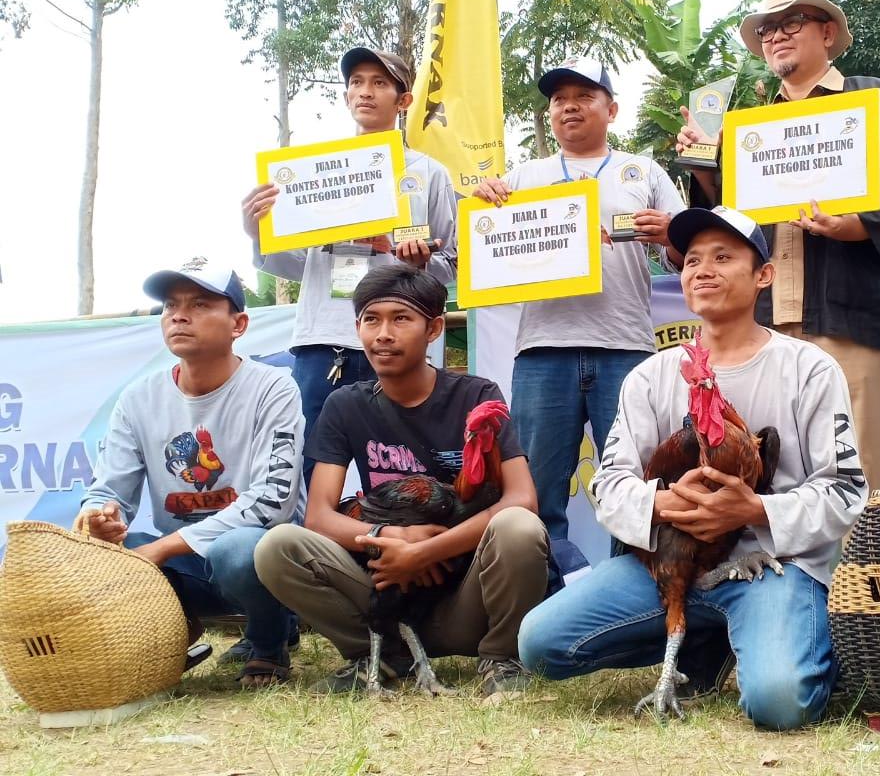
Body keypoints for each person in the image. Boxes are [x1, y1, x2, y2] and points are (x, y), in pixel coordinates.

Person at [518, 206, 865, 730]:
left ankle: (791, 638)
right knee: (540, 645)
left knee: (780, 703)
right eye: (692, 260)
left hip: (770, 565)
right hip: (671, 565)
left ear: (762, 276)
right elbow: (610, 482)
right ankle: (707, 639)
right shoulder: (650, 376)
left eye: (724, 258)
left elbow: (844, 490)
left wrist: (754, 509)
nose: (702, 269)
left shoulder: (809, 368)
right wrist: (658, 501)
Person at [677, 0, 880, 491]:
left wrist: (852, 226)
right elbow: (728, 226)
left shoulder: (873, 99)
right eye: (768, 28)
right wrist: (705, 164)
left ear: (828, 32)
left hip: (849, 316)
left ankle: (865, 575)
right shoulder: (747, 128)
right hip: (767, 324)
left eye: (791, 22)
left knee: (859, 477)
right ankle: (785, 575)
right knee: (770, 473)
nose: (776, 36)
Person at [254, 263, 548, 694]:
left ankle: (501, 659)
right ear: (357, 328)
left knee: (519, 527)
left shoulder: (476, 394)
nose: (383, 334)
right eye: (371, 320)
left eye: (400, 319)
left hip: (467, 596)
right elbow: (318, 516)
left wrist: (425, 551)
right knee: (277, 546)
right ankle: (381, 656)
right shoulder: (344, 405)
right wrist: (390, 537)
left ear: (433, 328)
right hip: (384, 588)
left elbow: (522, 498)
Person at [472, 56, 685, 542]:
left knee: (633, 492)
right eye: (559, 100)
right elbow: (481, 256)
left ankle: (628, 606)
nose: (569, 107)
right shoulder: (522, 179)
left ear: (611, 110)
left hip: (625, 349)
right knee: (535, 495)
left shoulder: (644, 172)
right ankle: (543, 602)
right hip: (544, 351)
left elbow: (684, 257)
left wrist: (672, 233)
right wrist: (483, 209)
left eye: (584, 97)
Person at [77, 260, 305, 687]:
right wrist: (100, 515)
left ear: (238, 324)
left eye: (200, 304)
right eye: (171, 305)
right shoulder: (139, 398)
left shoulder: (273, 387)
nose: (179, 315)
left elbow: (273, 504)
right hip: (189, 564)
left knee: (236, 551)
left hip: (258, 558)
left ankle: (269, 643)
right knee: (107, 557)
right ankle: (170, 640)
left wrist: (162, 549)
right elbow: (109, 489)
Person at [241, 47, 457, 477]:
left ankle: (404, 542)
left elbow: (451, 265)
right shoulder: (312, 173)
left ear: (403, 101)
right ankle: (315, 543)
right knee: (313, 463)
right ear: (345, 97)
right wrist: (256, 232)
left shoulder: (429, 173)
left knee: (407, 467)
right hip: (324, 338)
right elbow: (297, 265)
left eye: (380, 83)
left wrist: (415, 263)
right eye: (356, 82)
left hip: (400, 343)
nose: (366, 92)